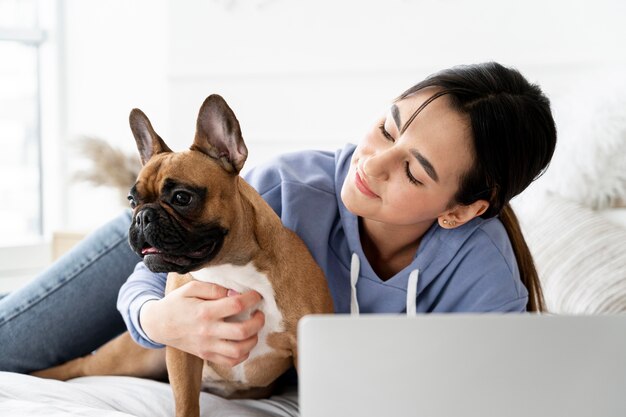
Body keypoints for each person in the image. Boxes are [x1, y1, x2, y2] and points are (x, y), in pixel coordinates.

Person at [0, 62, 556, 416]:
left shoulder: (485, 277)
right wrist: (157, 320)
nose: (374, 162)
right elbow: (149, 276)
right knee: (11, 346)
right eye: (388, 126)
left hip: (203, 259)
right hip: (161, 249)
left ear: (463, 210)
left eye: (414, 171)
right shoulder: (285, 187)